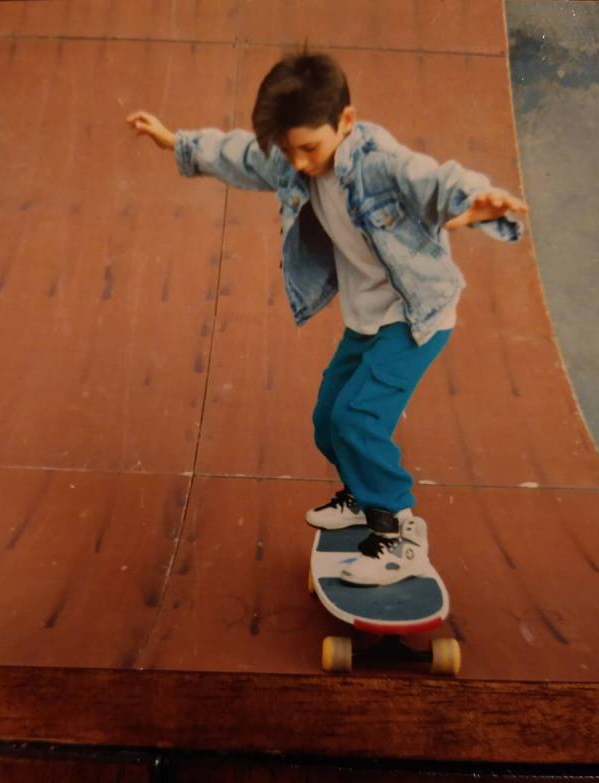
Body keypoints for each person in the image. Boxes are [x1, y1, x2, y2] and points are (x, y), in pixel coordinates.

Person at [126, 51, 527, 587]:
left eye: (309, 148)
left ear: (346, 121)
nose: (300, 164)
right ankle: (363, 498)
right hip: (366, 318)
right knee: (327, 421)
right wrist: (175, 141)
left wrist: (475, 197)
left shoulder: (378, 159)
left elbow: (430, 178)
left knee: (358, 419)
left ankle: (397, 533)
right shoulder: (294, 156)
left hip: (415, 315)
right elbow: (241, 156)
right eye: (289, 152)